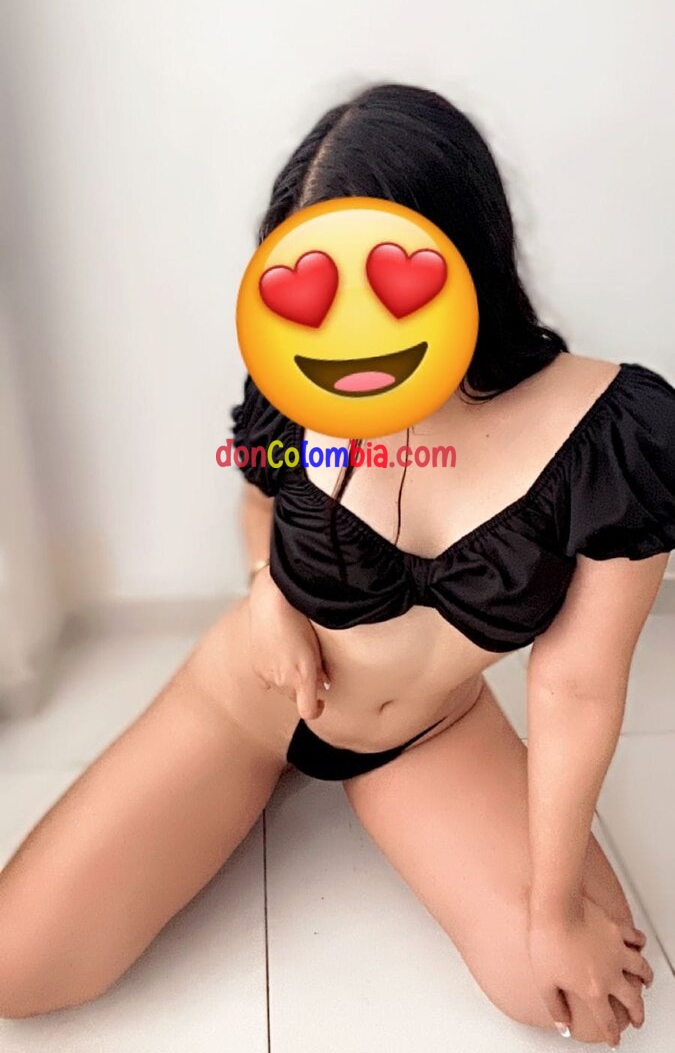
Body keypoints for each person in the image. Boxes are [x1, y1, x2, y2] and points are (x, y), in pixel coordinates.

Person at [1, 85, 673, 1050]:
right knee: (16, 969)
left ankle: (367, 795)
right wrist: (265, 596)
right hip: (254, 693)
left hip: (426, 729)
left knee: (572, 997)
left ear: (463, 255)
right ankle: (256, 774)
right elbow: (259, 497)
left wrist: (553, 907)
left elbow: (576, 686)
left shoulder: (615, 434)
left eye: (383, 283)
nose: (342, 328)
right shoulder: (302, 370)